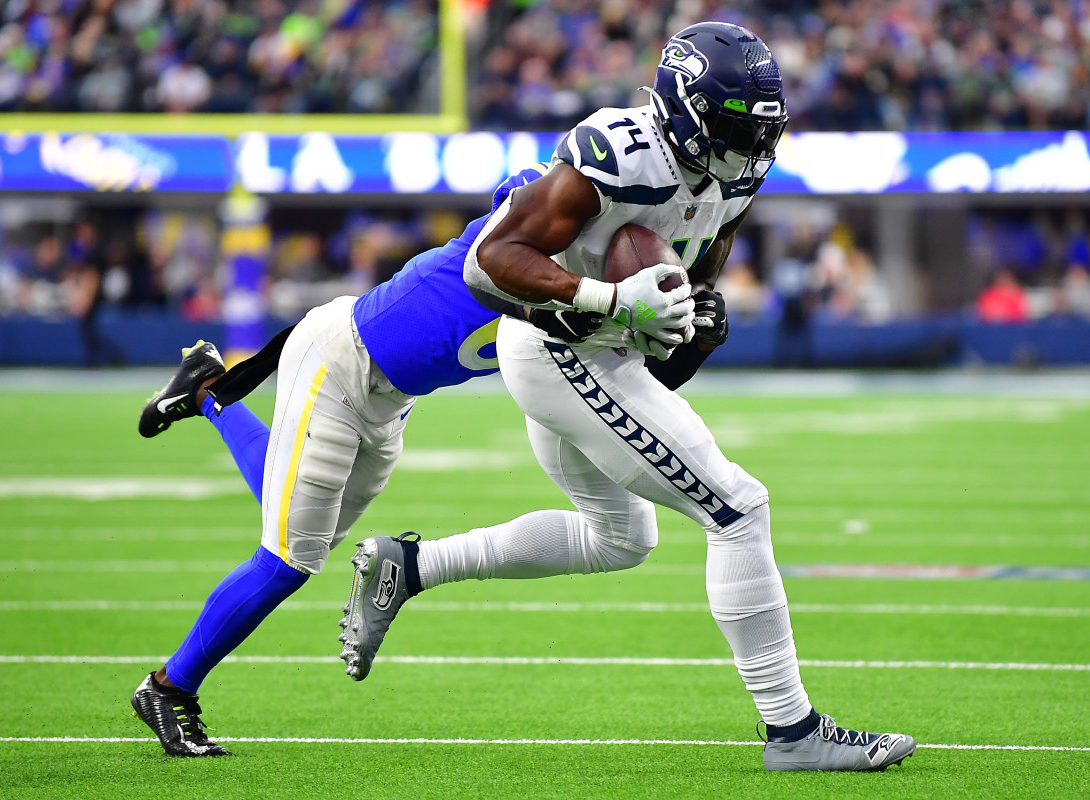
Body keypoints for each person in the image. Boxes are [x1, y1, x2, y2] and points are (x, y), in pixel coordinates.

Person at [339, 22, 915, 772]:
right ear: (683, 109)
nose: (753, 147)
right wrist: (606, 299)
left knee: (620, 539)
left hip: (600, 348)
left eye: (761, 130)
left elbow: (693, 275)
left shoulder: (734, 172)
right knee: (738, 509)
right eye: (738, 128)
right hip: (560, 346)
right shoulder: (616, 155)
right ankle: (792, 731)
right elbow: (490, 262)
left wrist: (695, 315)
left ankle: (409, 568)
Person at [128, 158, 717, 757]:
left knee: (307, 528)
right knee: (289, 557)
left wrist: (688, 328)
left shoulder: (585, 284)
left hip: (390, 399)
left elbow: (644, 376)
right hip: (338, 363)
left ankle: (206, 392)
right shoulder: (523, 258)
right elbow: (522, 236)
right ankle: (168, 687)